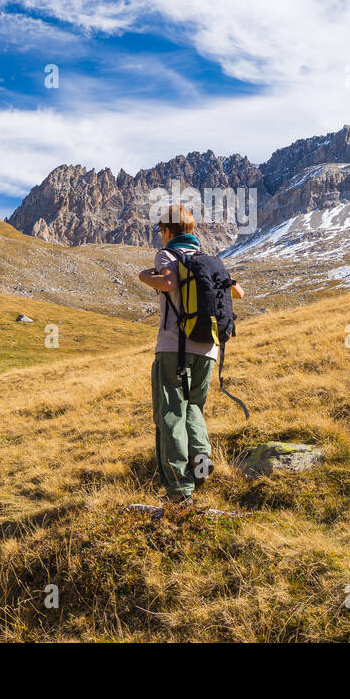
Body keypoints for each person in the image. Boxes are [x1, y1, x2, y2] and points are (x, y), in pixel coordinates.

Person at [138, 204, 244, 505]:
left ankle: (179, 491)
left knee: (171, 413)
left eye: (161, 230)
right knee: (194, 407)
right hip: (209, 348)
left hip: (174, 347)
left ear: (169, 230)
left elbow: (168, 282)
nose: (160, 235)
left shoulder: (168, 254)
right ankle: (202, 468)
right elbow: (239, 293)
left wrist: (144, 276)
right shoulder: (211, 261)